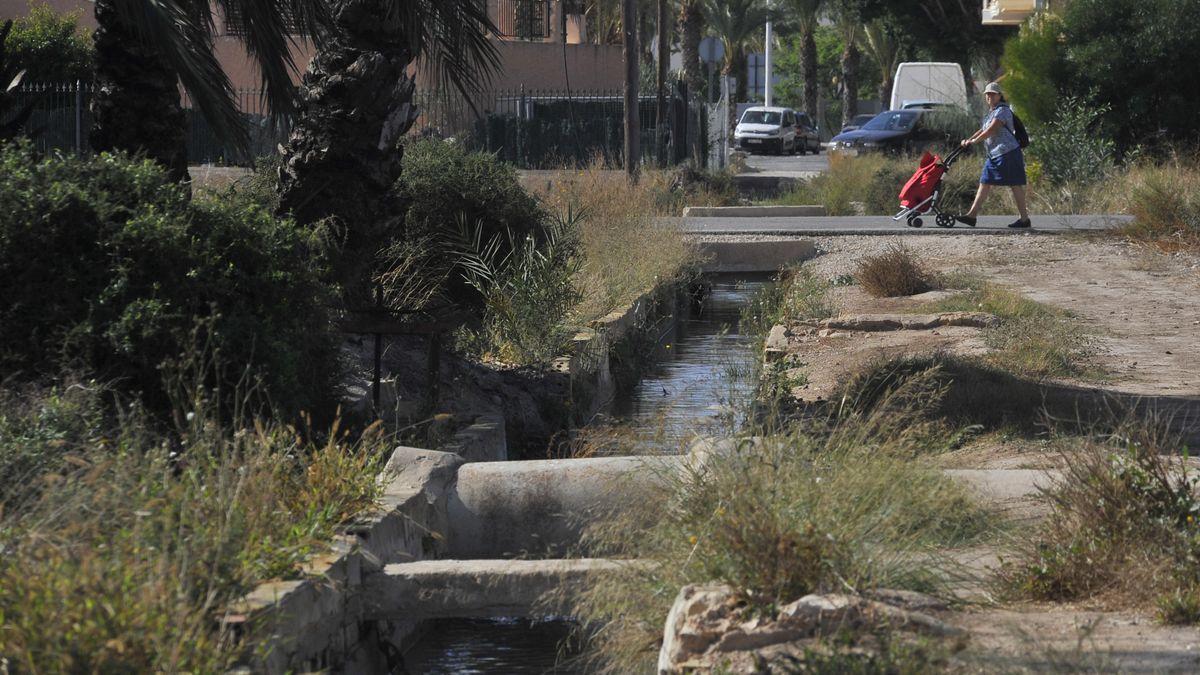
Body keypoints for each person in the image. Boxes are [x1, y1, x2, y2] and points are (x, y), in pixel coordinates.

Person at [954, 82, 1031, 228]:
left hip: (1007, 152)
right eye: (987, 94)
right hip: (996, 154)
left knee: (1015, 185)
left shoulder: (1003, 111)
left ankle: (1024, 219)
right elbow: (982, 129)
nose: (989, 96)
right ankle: (972, 215)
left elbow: (991, 130)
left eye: (993, 94)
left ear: (999, 96)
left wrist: (975, 141)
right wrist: (969, 140)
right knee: (985, 181)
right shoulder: (991, 112)